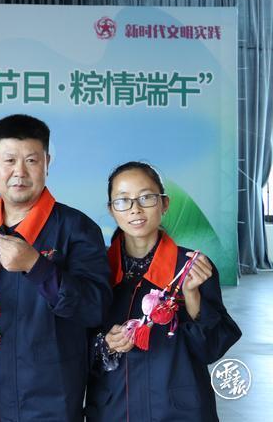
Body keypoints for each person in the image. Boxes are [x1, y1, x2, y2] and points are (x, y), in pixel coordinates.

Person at [0, 114, 112, 422]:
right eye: (9, 160)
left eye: (31, 161)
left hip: (50, 401)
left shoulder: (76, 229)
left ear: (47, 163)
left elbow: (95, 308)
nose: (19, 172)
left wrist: (37, 267)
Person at [86, 161, 241, 421]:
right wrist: (105, 344)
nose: (135, 209)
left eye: (146, 197)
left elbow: (211, 350)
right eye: (123, 200)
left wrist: (192, 296)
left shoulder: (191, 267)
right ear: (111, 209)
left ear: (164, 203)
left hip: (178, 411)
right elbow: (70, 345)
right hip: (114, 409)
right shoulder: (97, 270)